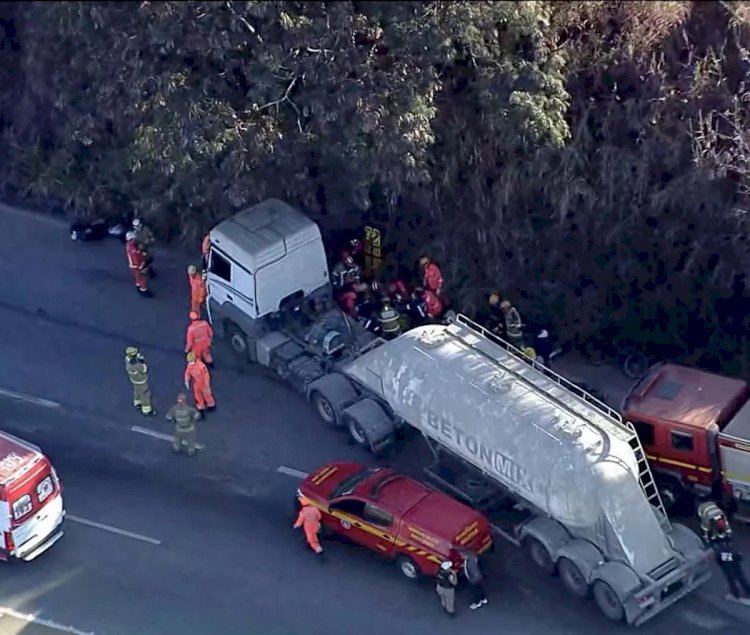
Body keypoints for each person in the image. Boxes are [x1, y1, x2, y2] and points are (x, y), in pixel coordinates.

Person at [713, 538, 750, 604]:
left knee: (733, 579)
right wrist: (735, 556)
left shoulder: (719, 548)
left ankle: (737, 593)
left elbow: (720, 557)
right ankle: (743, 592)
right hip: (731, 564)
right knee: (738, 578)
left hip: (727, 565)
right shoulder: (729, 546)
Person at [125, 347, 155, 416]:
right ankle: (146, 410)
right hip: (141, 381)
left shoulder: (127, 360)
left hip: (134, 380)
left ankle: (137, 402)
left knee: (136, 390)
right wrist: (142, 362)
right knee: (145, 394)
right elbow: (144, 369)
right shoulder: (137, 365)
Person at [184, 351, 216, 416]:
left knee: (207, 395)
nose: (190, 363)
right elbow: (187, 372)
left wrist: (206, 385)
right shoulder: (190, 365)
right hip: (196, 383)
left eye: (191, 361)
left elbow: (206, 376)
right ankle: (201, 408)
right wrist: (186, 380)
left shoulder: (201, 366)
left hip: (204, 384)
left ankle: (211, 406)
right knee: (198, 396)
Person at [125, 231, 152, 297]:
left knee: (137, 276)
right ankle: (143, 290)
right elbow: (136, 258)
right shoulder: (133, 249)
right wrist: (141, 265)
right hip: (137, 265)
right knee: (142, 277)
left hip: (133, 265)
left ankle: (138, 286)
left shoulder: (129, 245)